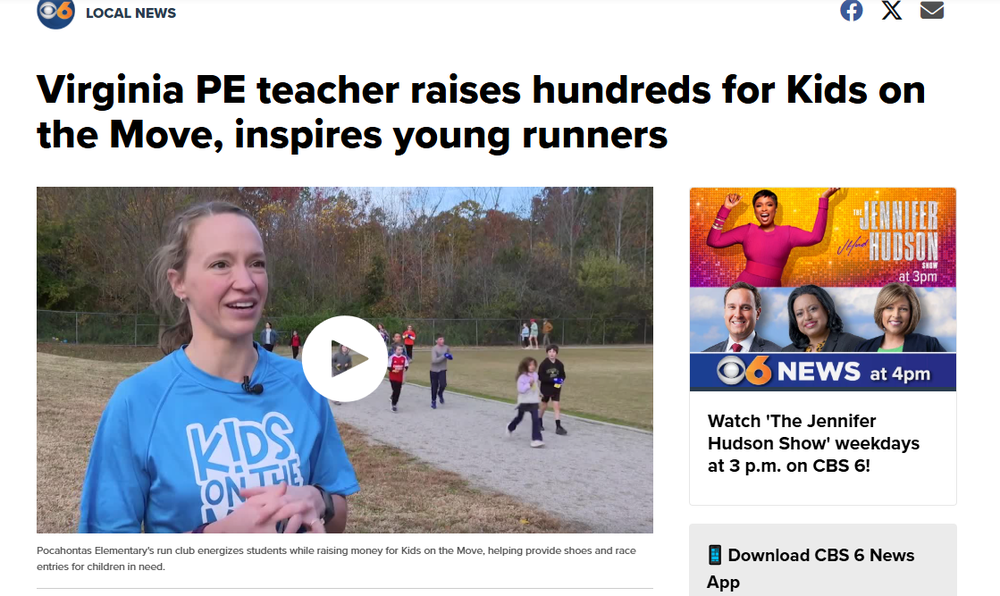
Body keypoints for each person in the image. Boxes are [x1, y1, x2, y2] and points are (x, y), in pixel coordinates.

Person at [79, 201, 357, 534]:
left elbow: (337, 513)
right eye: (221, 264)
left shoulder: (302, 384)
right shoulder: (137, 402)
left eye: (256, 263)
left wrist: (319, 500)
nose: (246, 281)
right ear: (179, 283)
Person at [706, 188, 841, 287]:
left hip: (773, 290)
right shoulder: (747, 230)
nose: (764, 209)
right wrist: (726, 208)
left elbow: (816, 237)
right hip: (743, 288)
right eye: (759, 205)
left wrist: (824, 199)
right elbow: (713, 241)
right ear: (755, 211)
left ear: (775, 210)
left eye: (769, 205)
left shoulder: (788, 233)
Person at [855, 282, 947, 352]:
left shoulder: (928, 345)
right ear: (880, 311)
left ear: (912, 313)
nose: (896, 315)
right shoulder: (863, 349)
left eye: (903, 309)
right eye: (889, 308)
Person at [702, 282, 782, 352]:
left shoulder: (779, 354)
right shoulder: (705, 356)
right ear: (725, 312)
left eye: (745, 308)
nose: (738, 315)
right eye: (732, 307)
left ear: (757, 313)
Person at [781, 285, 864, 352]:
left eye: (813, 309)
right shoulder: (786, 353)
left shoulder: (856, 345)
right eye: (799, 314)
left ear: (827, 309)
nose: (807, 317)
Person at [507, 357, 544, 448]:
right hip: (524, 401)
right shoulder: (522, 377)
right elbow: (521, 390)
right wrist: (529, 384)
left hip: (533, 401)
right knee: (519, 417)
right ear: (525, 366)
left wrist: (539, 393)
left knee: (535, 419)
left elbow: (536, 386)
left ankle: (536, 439)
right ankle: (510, 427)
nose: (532, 367)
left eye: (534, 365)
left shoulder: (535, 375)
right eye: (530, 365)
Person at [538, 344, 568, 435]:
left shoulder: (559, 364)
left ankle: (558, 426)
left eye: (554, 352)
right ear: (547, 353)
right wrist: (553, 380)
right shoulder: (544, 364)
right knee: (544, 405)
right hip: (546, 388)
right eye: (550, 351)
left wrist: (559, 382)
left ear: (556, 353)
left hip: (556, 388)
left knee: (556, 405)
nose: (552, 353)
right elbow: (541, 376)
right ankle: (539, 421)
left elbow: (563, 375)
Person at [429, 333, 452, 409]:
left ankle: (440, 393)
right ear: (436, 341)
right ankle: (433, 401)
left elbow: (449, 356)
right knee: (434, 386)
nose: (442, 340)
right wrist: (443, 356)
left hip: (442, 369)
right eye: (440, 339)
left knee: (443, 384)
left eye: (443, 339)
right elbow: (434, 360)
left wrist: (449, 356)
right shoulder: (434, 349)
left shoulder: (446, 347)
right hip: (434, 370)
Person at [387, 344, 409, 412]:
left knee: (398, 391)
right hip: (393, 377)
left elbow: (406, 365)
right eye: (398, 349)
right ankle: (393, 400)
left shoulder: (404, 358)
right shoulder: (392, 357)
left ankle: (394, 404)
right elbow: (389, 367)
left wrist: (405, 369)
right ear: (395, 350)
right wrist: (393, 370)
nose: (400, 351)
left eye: (401, 349)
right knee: (395, 389)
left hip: (400, 377)